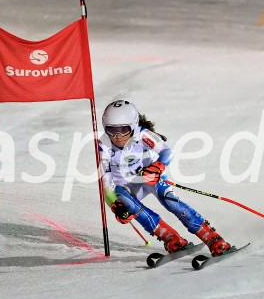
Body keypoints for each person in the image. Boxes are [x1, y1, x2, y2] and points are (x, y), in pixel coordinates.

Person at [98, 99, 232, 257]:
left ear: (133, 125)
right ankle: (171, 239)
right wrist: (116, 206)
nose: (117, 136)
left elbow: (167, 152)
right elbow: (106, 185)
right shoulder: (104, 145)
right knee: (121, 196)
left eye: (123, 129)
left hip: (150, 178)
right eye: (111, 130)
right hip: (127, 187)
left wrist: (158, 167)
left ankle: (212, 238)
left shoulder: (142, 135)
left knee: (170, 201)